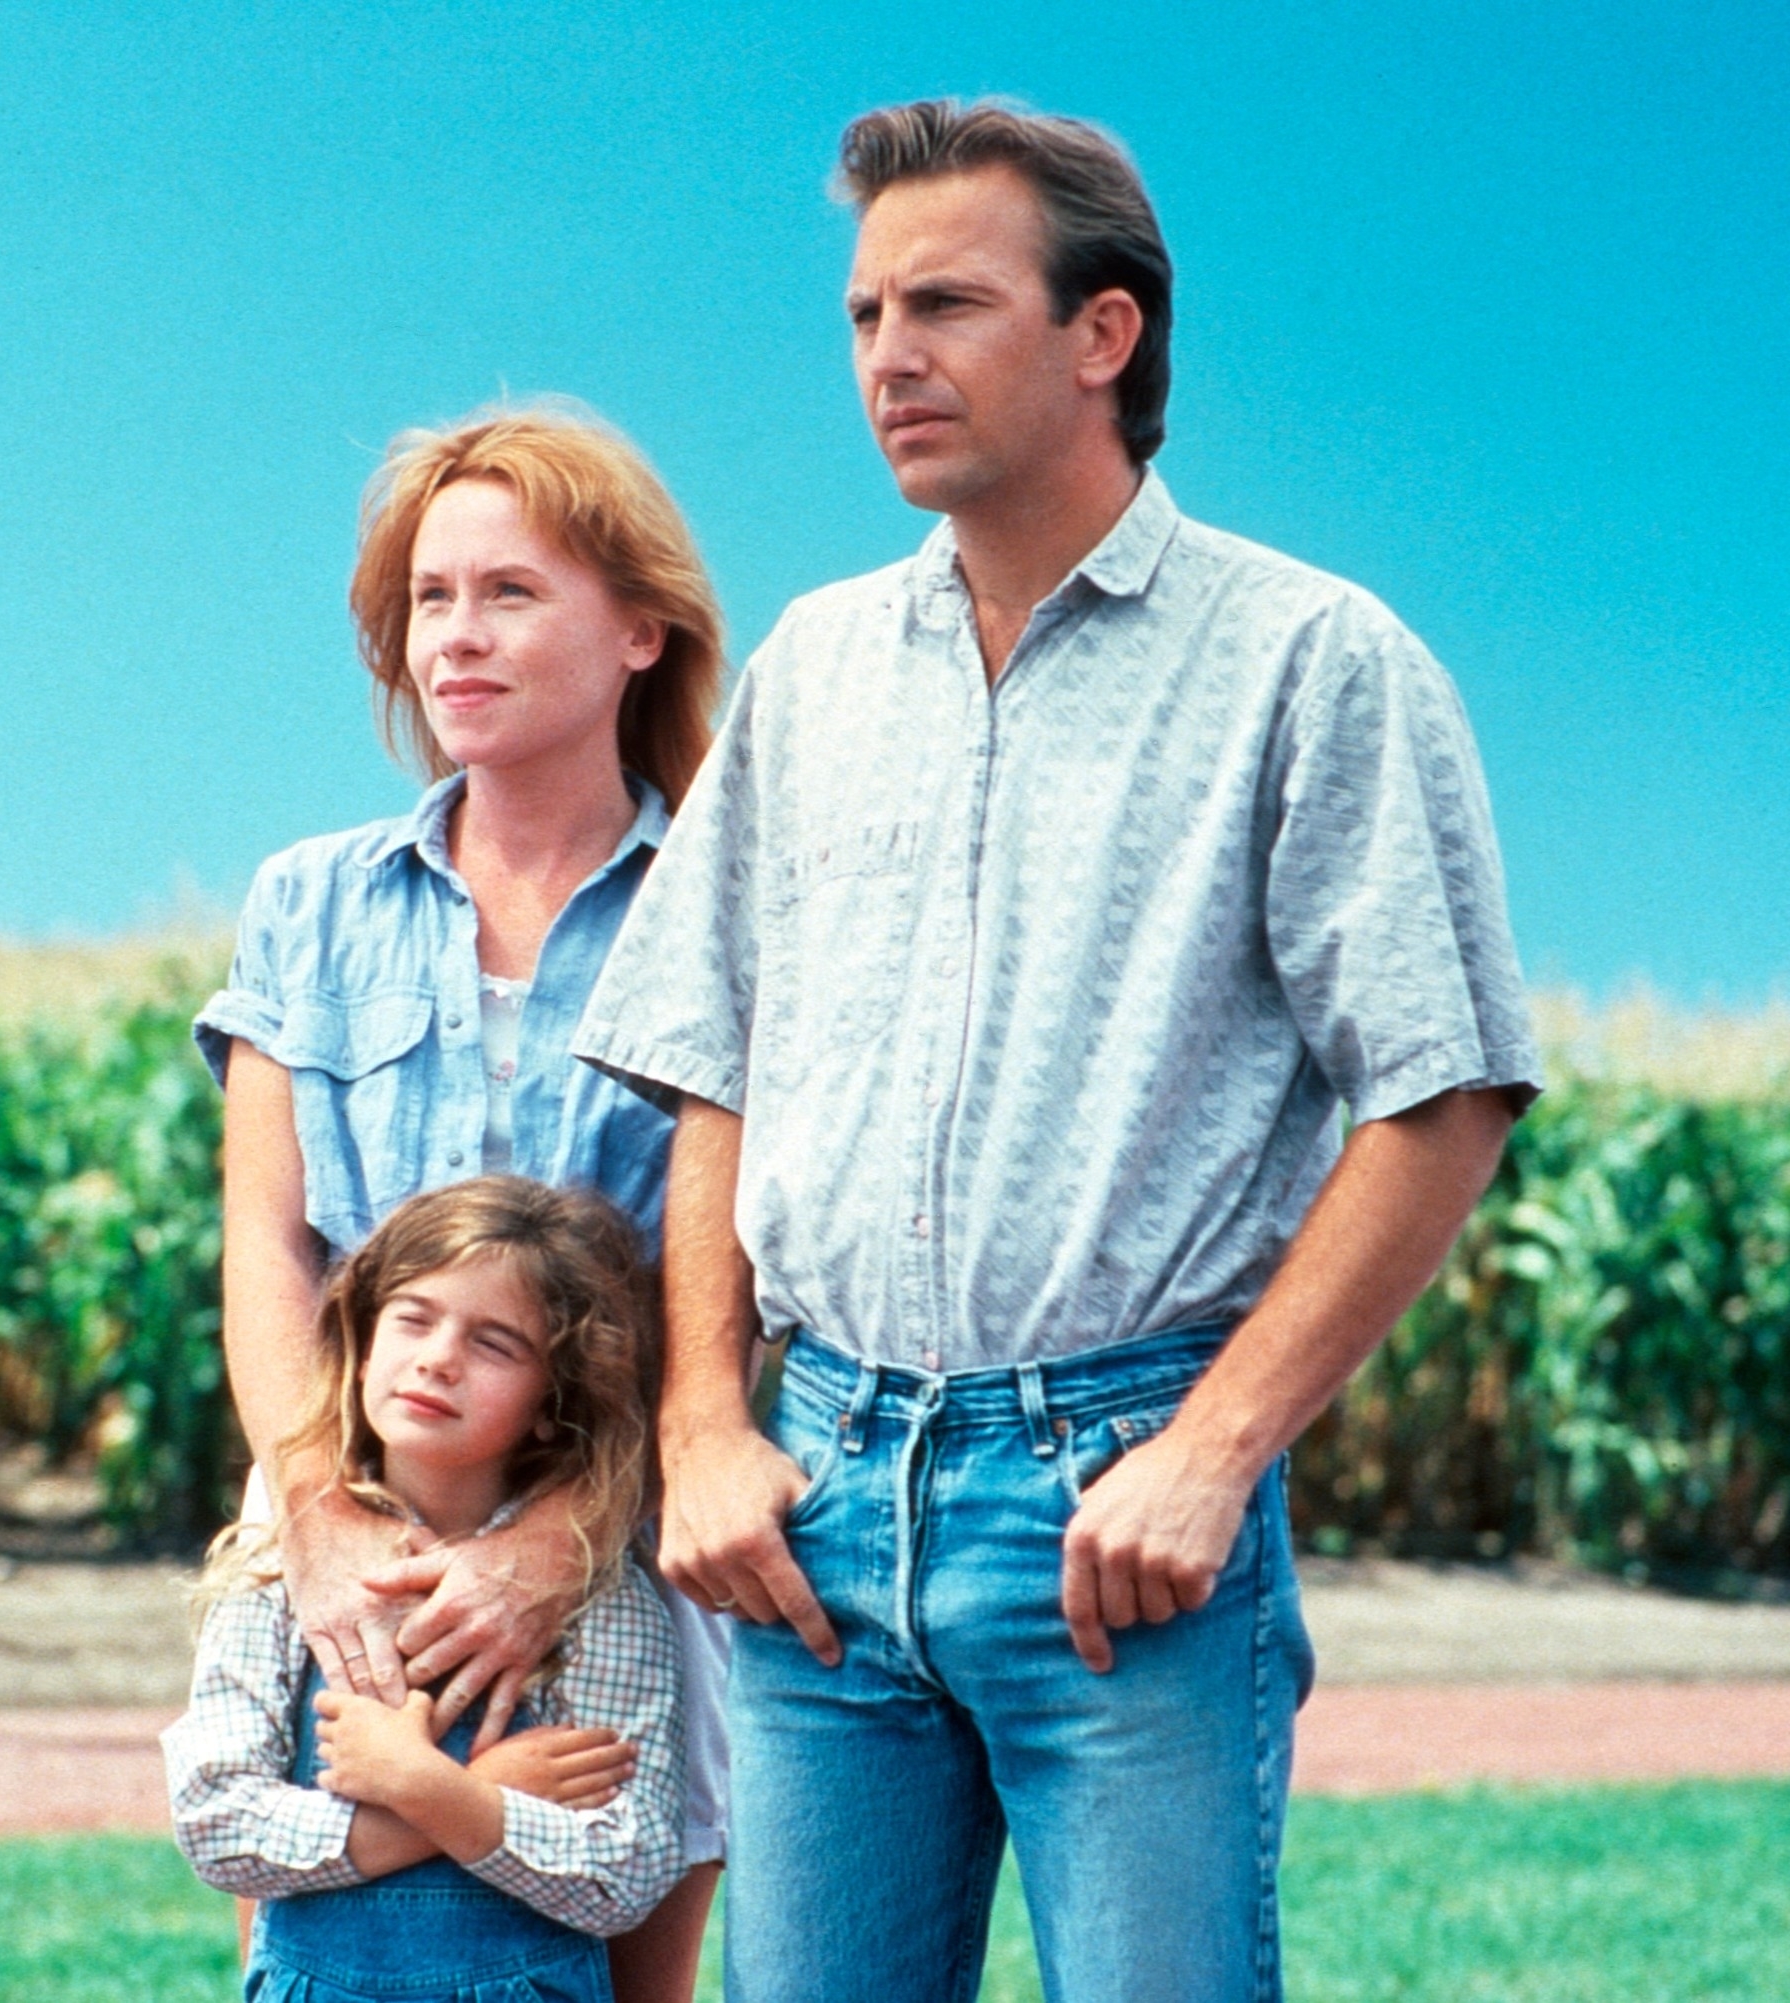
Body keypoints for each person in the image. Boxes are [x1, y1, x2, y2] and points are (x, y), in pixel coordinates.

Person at [571, 99, 1542, 2003]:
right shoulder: (815, 666)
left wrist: (1214, 1448)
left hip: (1124, 1512)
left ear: (1105, 333)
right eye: (862, 315)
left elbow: (1445, 1092)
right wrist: (702, 1420)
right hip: (821, 1504)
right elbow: (716, 1067)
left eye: (944, 305)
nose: (888, 359)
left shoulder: (1313, 660)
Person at [193, 403, 731, 2000]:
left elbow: (741, 1280)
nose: (457, 636)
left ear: (640, 627)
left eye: (510, 592)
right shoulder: (311, 897)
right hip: (340, 1530)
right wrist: (319, 1520)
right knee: (321, 1953)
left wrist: (566, 1538)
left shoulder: (725, 900)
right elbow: (268, 1249)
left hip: (624, 1547)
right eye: (431, 599)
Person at [163, 1176, 688, 2002]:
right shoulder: (281, 1574)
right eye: (412, 1317)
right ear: (364, 1345)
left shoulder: (596, 1599)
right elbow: (214, 1820)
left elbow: (627, 1869)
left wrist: (427, 1786)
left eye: (495, 1343)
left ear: (552, 1403)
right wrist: (468, 1797)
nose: (438, 1357)